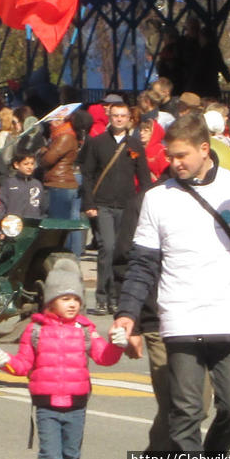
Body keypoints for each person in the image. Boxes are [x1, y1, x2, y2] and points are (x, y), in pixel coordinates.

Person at [112, 112, 230, 453]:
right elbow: (142, 264)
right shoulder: (157, 198)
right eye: (170, 156)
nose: (174, 163)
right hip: (181, 318)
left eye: (181, 155)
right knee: (186, 413)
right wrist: (127, 312)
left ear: (205, 149)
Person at [0, 258, 124, 459]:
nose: (72, 304)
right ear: (51, 301)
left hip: (76, 404)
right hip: (46, 406)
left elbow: (103, 357)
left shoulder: (84, 329)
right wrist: (6, 363)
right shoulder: (36, 329)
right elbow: (24, 364)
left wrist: (117, 346)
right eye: (65, 298)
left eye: (76, 299)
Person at [81, 101, 151, 315]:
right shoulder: (97, 143)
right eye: (115, 115)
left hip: (127, 205)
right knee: (107, 248)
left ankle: (117, 297)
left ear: (130, 119)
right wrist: (89, 204)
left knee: (123, 252)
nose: (119, 119)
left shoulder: (135, 145)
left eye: (123, 115)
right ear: (109, 117)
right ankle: (102, 296)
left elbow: (144, 177)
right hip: (103, 204)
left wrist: (145, 204)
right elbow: (88, 175)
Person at [36, 114, 82, 257]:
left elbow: (48, 160)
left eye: (57, 120)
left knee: (59, 226)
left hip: (61, 183)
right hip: (60, 183)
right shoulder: (59, 136)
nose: (52, 124)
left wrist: (43, 151)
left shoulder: (64, 137)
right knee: (65, 223)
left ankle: (63, 255)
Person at [0, 152, 45, 223]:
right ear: (16, 165)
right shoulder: (9, 183)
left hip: (32, 225)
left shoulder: (37, 184)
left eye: (32, 164)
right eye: (26, 164)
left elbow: (43, 207)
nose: (30, 167)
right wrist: (3, 221)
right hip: (13, 225)